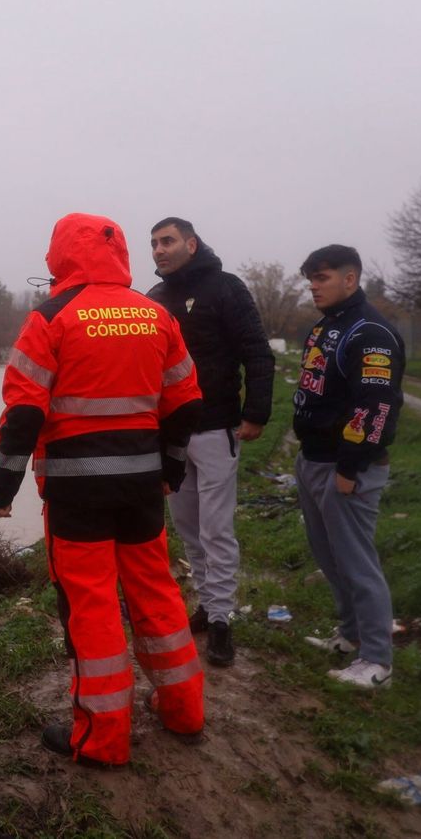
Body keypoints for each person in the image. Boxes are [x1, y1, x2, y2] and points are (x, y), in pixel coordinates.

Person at [0, 213, 206, 766]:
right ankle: (184, 709)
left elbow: (22, 414)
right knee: (155, 592)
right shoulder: (156, 315)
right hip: (141, 487)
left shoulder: (50, 317)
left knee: (91, 607)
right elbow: (185, 404)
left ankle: (102, 739)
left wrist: (3, 484)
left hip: (74, 493)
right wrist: (171, 470)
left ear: (59, 256)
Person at [146, 217, 275, 667]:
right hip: (171, 436)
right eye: (154, 244)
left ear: (191, 243)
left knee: (216, 529)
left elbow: (257, 351)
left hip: (218, 427)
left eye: (168, 241)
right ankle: (206, 604)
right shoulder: (154, 299)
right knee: (187, 527)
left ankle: (222, 621)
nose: (159, 250)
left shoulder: (226, 288)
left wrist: (257, 412)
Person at [291, 244, 405, 689]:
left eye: (321, 278)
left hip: (346, 467)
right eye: (311, 279)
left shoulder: (369, 333)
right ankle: (350, 634)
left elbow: (375, 407)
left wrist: (350, 467)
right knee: (329, 554)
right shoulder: (329, 326)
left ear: (350, 278)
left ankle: (377, 660)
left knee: (357, 562)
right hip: (313, 460)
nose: (313, 287)